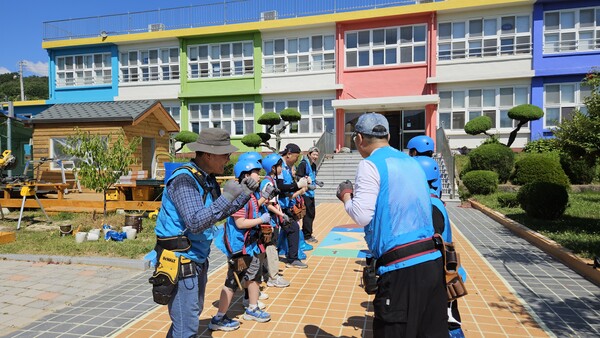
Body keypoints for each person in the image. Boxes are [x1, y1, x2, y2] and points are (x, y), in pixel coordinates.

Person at [338, 113, 447, 337]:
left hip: (401, 269)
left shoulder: (370, 165)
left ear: (359, 138)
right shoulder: (412, 162)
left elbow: (361, 216)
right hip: (432, 262)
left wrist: (346, 196)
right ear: (388, 135)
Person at [152, 128, 258, 338]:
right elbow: (196, 222)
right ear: (208, 154)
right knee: (187, 326)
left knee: (188, 318)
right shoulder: (185, 180)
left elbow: (218, 213)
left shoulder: (206, 178)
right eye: (225, 154)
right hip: (180, 261)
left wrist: (246, 193)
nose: (228, 159)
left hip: (196, 259)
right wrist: (227, 196)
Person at [210, 159, 274, 331]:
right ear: (246, 175)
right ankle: (219, 317)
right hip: (239, 247)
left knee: (253, 275)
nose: (259, 176)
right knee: (232, 281)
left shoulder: (251, 194)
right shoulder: (241, 195)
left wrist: (265, 197)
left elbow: (253, 207)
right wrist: (261, 219)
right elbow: (240, 223)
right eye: (255, 172)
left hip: (249, 244)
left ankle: (252, 308)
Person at [414, 156, 466, 338]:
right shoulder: (433, 200)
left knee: (448, 321)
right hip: (443, 269)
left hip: (438, 273)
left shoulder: (428, 204)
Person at [260, 153, 292, 287]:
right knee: (271, 248)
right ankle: (273, 278)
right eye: (280, 166)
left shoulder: (271, 180)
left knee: (267, 248)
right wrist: (281, 214)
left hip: (273, 219)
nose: (282, 168)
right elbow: (267, 203)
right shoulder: (267, 182)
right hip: (269, 221)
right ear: (273, 168)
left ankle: (262, 274)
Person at [279, 143, 309, 268]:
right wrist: (299, 188)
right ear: (289, 154)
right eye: (296, 157)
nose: (296, 161)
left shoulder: (286, 168)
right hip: (278, 207)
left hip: (284, 205)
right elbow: (281, 188)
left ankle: (291, 257)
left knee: (291, 229)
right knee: (287, 230)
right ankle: (291, 258)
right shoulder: (280, 167)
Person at [295, 146, 320, 243]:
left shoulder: (313, 165)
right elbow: (298, 177)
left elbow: (311, 176)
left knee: (312, 213)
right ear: (309, 154)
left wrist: (317, 182)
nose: (316, 156)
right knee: (308, 214)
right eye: (314, 154)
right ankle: (307, 235)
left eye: (317, 155)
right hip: (304, 193)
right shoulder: (303, 164)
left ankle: (307, 233)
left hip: (311, 193)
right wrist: (308, 186)